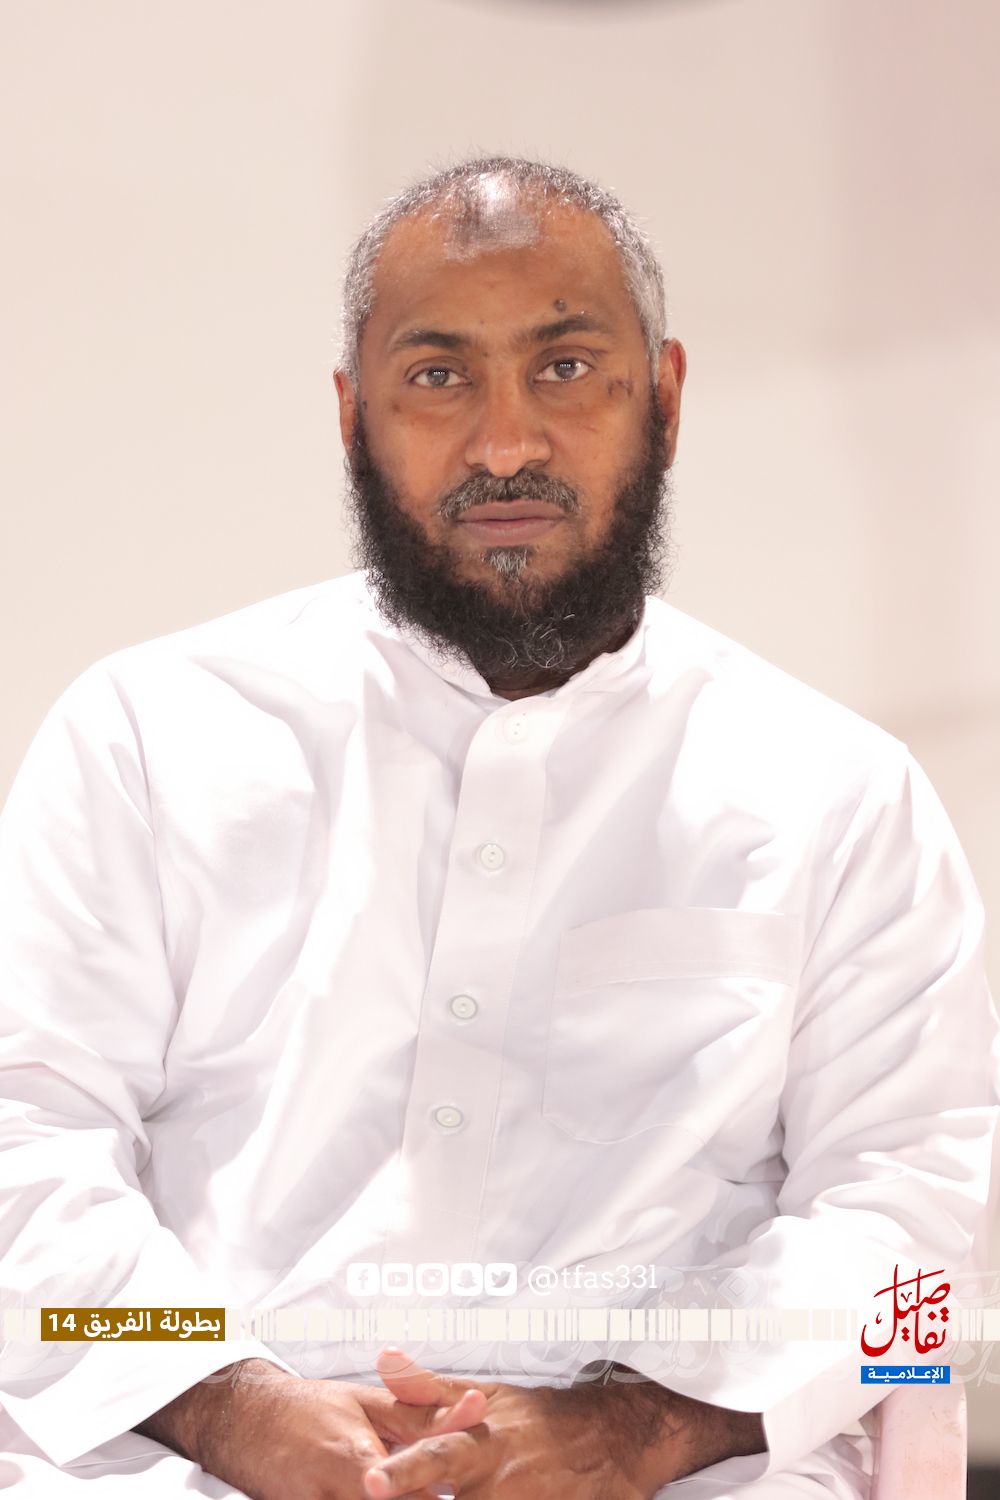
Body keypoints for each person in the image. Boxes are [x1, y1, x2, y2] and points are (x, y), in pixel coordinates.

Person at [0, 157, 996, 1500]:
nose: (506, 443)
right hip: (185, 1454)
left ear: (667, 399)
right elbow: (22, 1141)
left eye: (566, 368)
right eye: (438, 376)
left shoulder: (841, 794)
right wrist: (230, 1404)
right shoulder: (145, 736)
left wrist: (628, 1431)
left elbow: (923, 1235)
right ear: (351, 416)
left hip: (679, 1466)